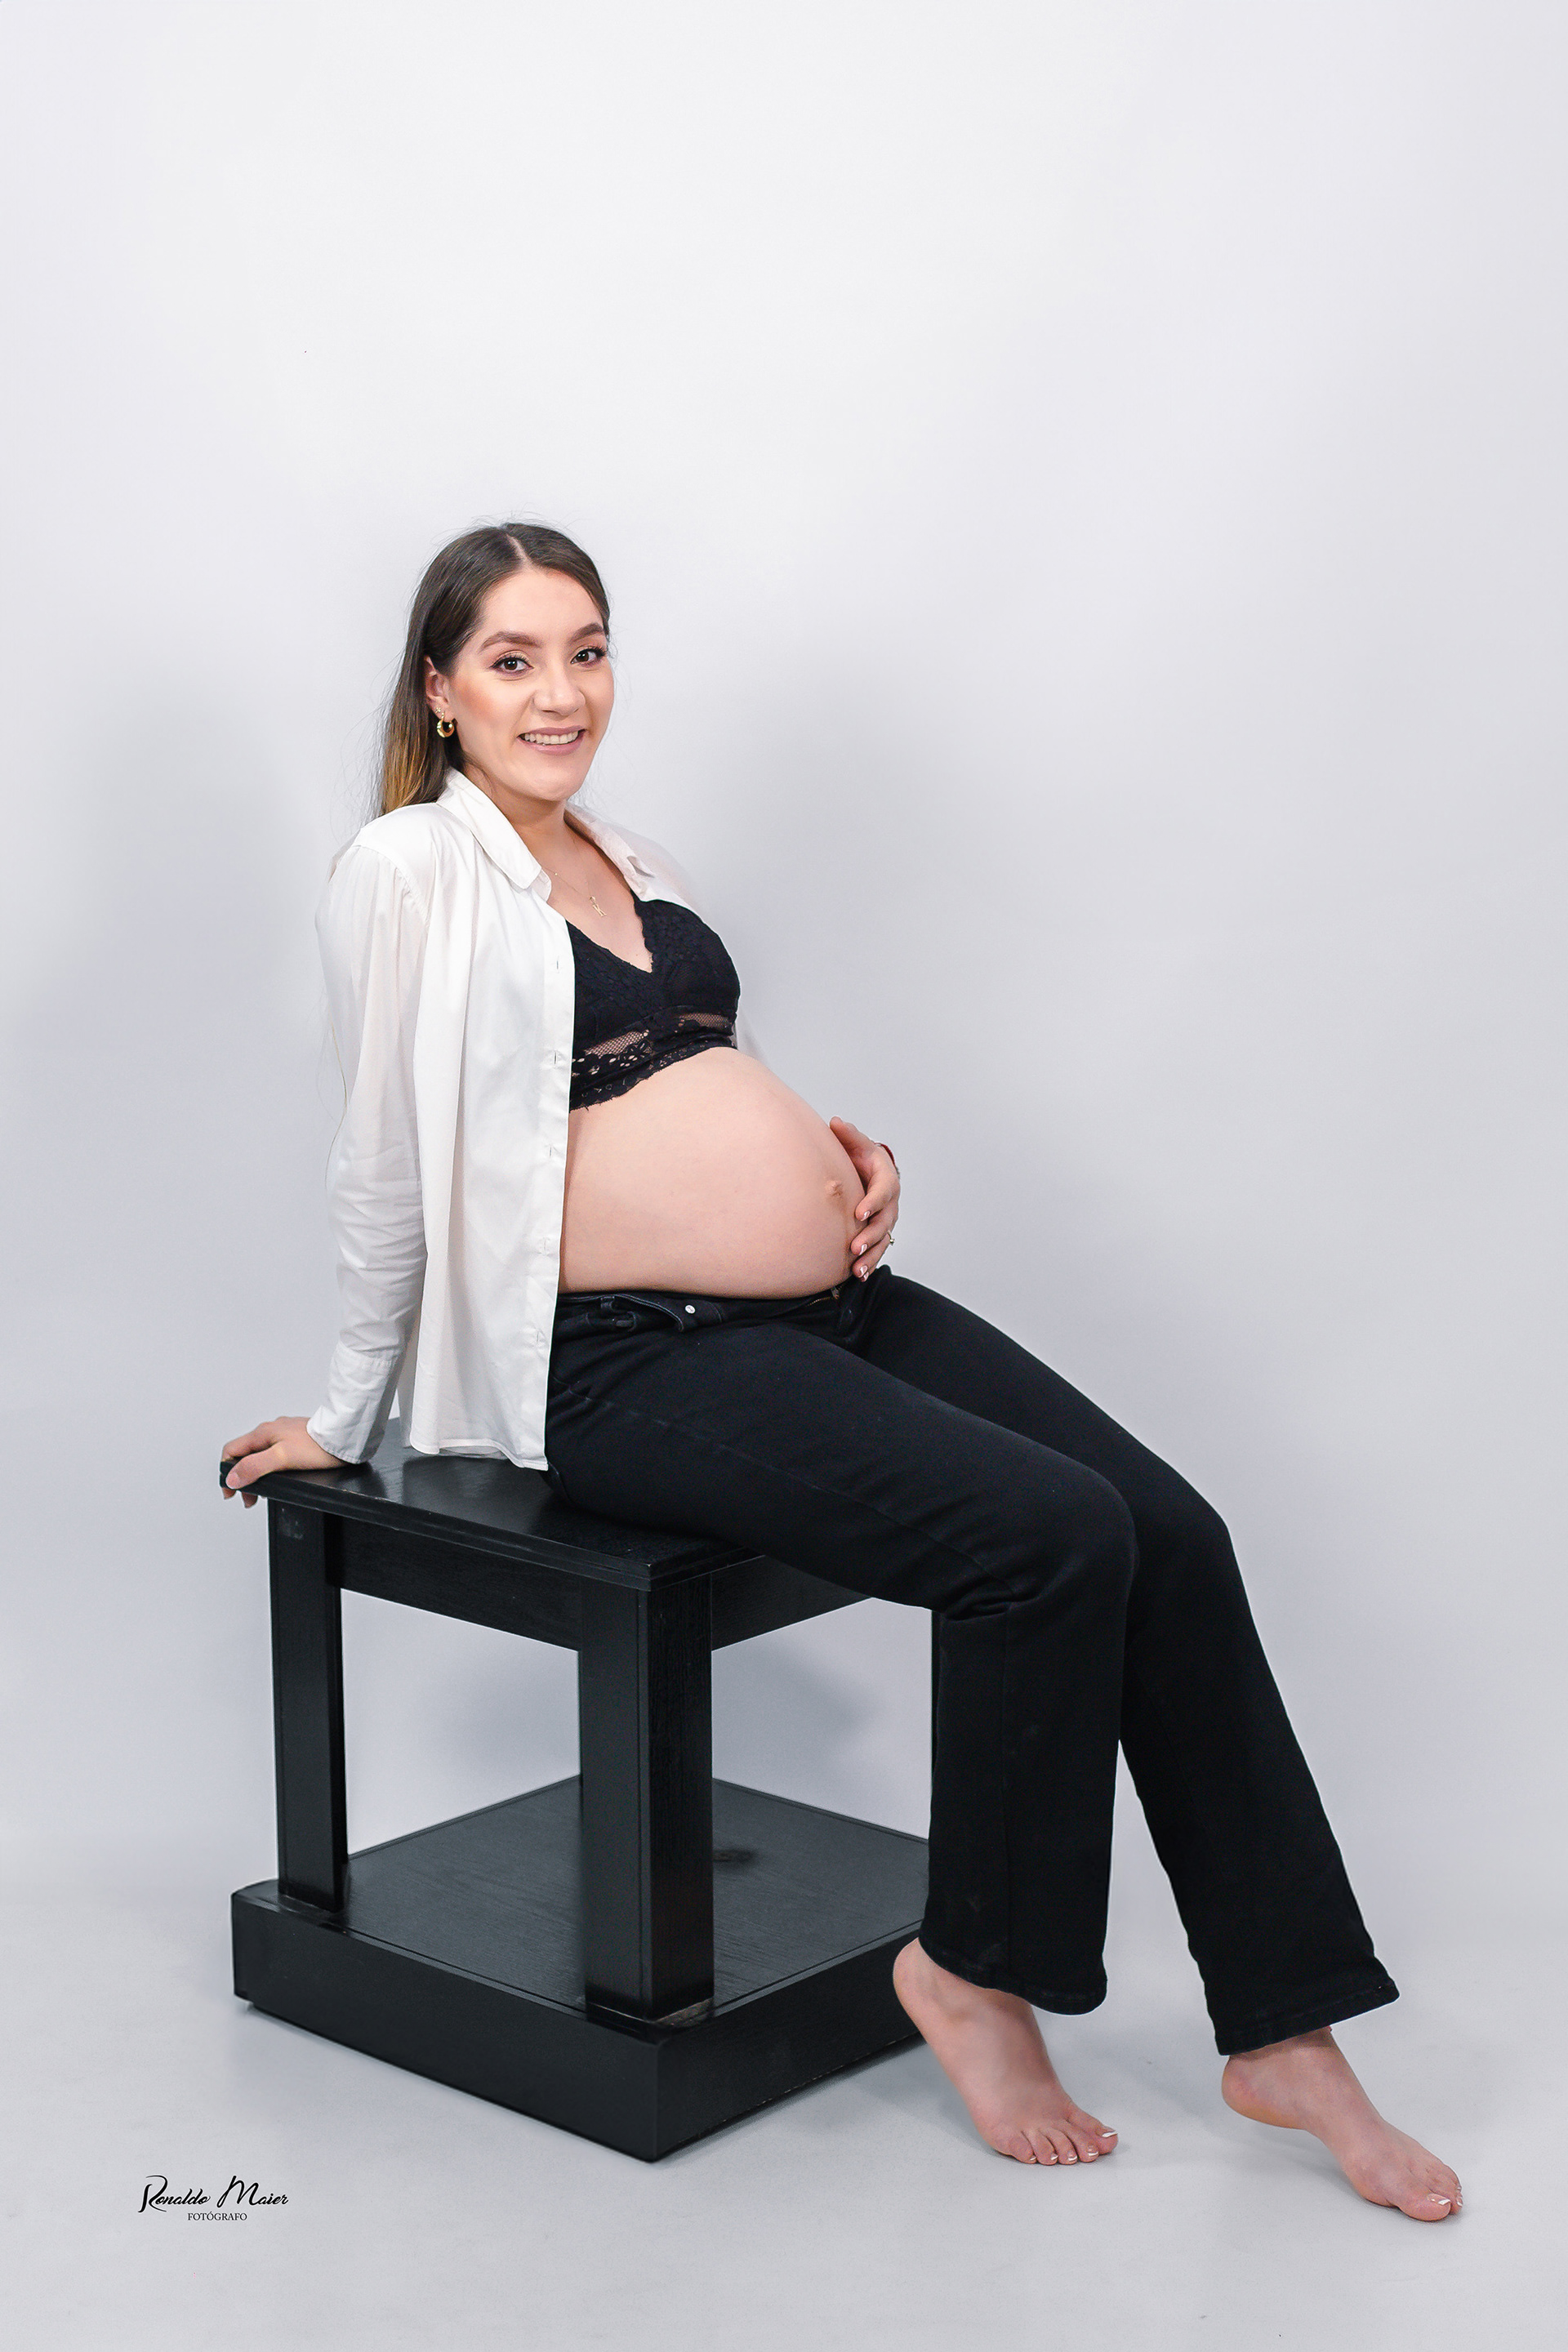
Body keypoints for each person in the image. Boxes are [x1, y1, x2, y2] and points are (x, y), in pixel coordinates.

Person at [222, 523, 1460, 2218]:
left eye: (587, 650)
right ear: (441, 690)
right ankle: (975, 1973)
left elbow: (686, 1078)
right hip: (621, 1364)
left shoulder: (629, 856)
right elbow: (382, 1159)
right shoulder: (408, 872)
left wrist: (832, 1166)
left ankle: (1287, 2029)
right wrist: (342, 1411)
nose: (560, 692)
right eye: (513, 660)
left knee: (1171, 1531)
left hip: (820, 1314)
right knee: (1049, 1537)